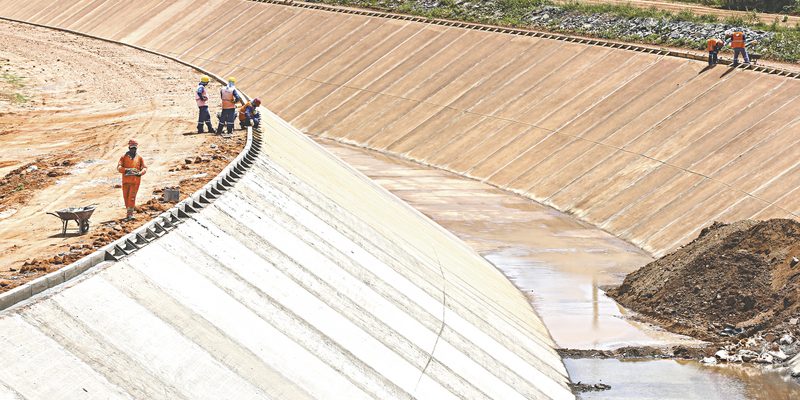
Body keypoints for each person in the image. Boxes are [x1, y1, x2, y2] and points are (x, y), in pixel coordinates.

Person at [117, 139, 147, 220]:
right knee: (126, 197)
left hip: (135, 181)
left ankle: (130, 214)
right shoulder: (123, 157)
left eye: (134, 148)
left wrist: (140, 173)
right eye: (132, 148)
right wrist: (126, 170)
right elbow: (119, 167)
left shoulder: (139, 158)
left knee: (132, 197)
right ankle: (128, 212)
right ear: (129, 148)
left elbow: (144, 167)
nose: (133, 150)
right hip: (126, 181)